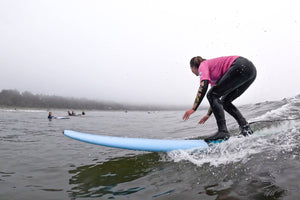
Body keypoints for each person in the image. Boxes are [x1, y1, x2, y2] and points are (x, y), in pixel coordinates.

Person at [183, 56, 257, 142]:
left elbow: (204, 86)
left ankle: (223, 131)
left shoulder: (203, 65)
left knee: (212, 95)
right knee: (225, 101)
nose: (195, 73)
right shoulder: (214, 72)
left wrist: (194, 108)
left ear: (193, 67)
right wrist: (208, 114)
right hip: (251, 71)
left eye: (191, 69)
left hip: (240, 66)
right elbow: (215, 98)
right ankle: (245, 128)